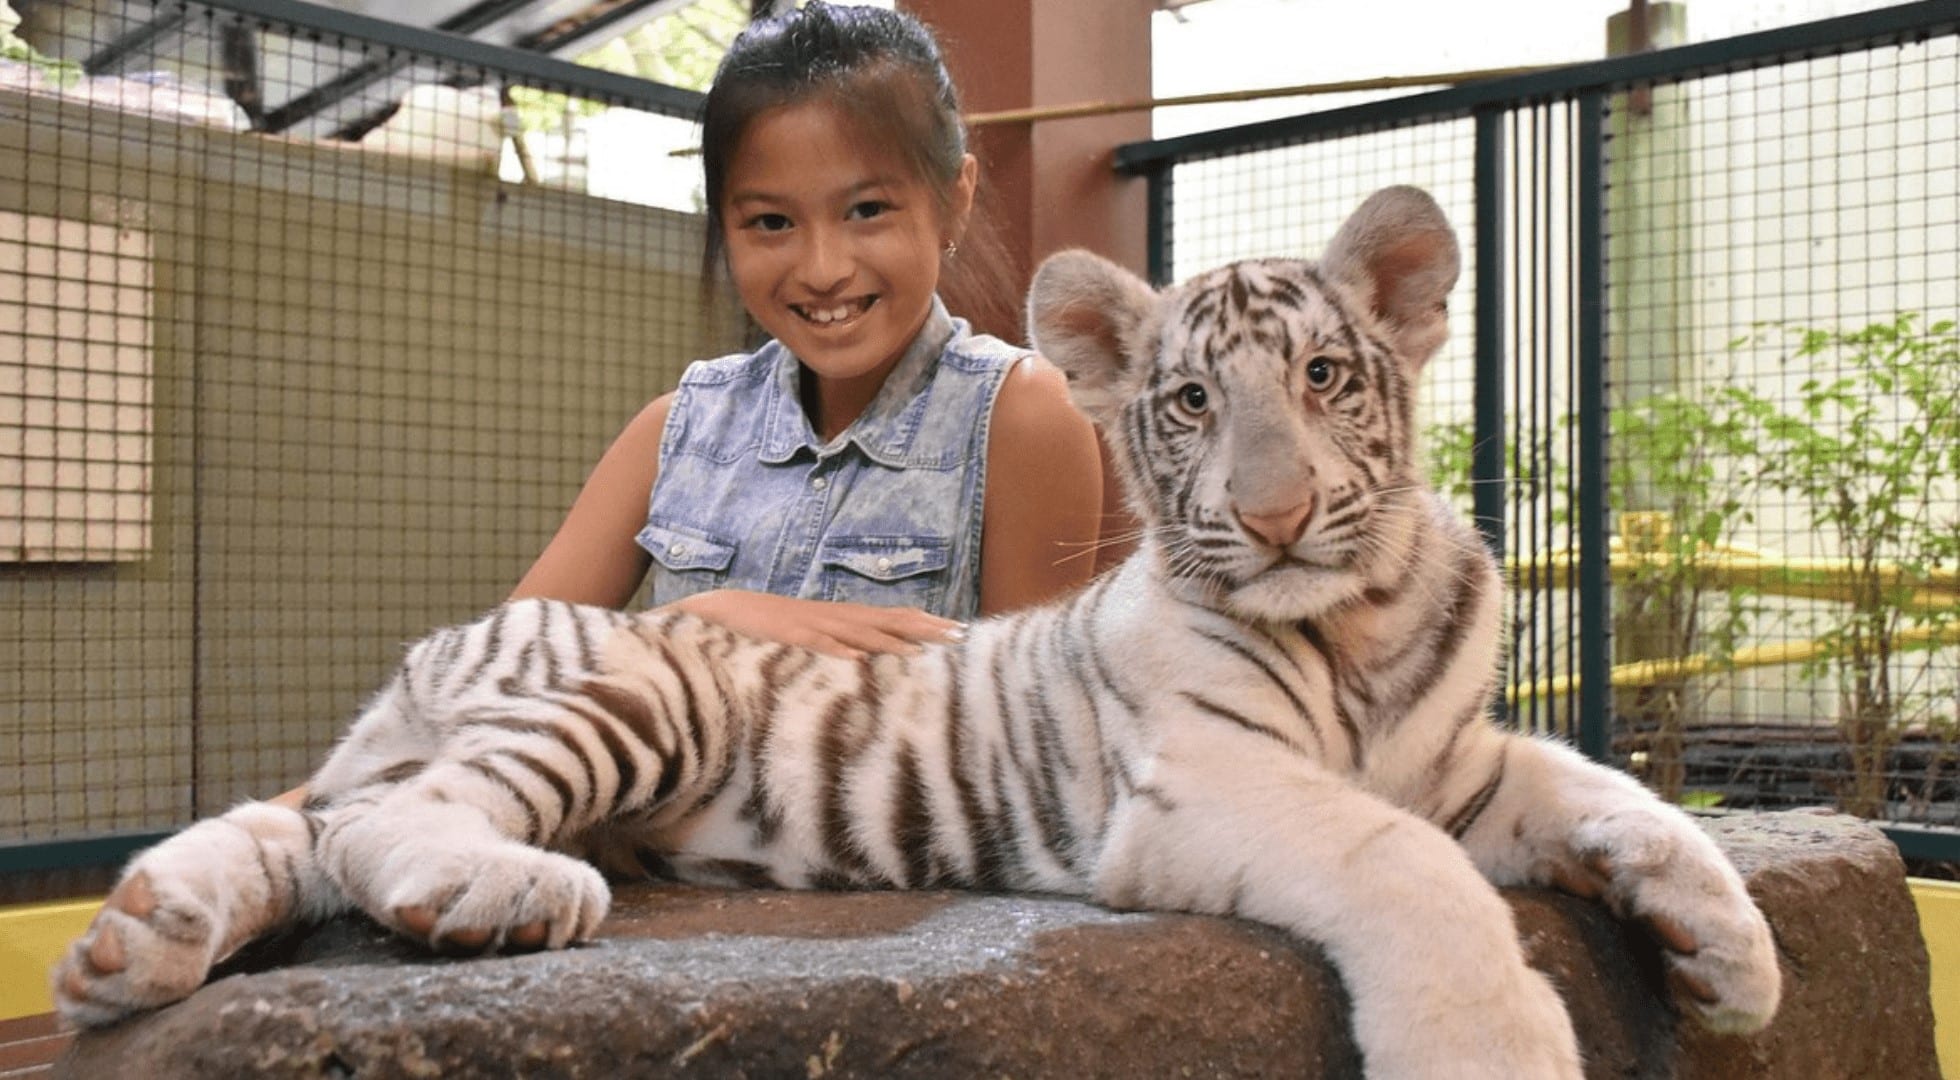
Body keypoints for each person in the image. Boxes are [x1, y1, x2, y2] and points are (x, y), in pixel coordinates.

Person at [505, 0, 1104, 656]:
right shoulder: (677, 428)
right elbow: (492, 668)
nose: (822, 270)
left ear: (953, 202)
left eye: (867, 209)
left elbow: (1027, 729)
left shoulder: (1023, 414)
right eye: (771, 222)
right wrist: (694, 626)